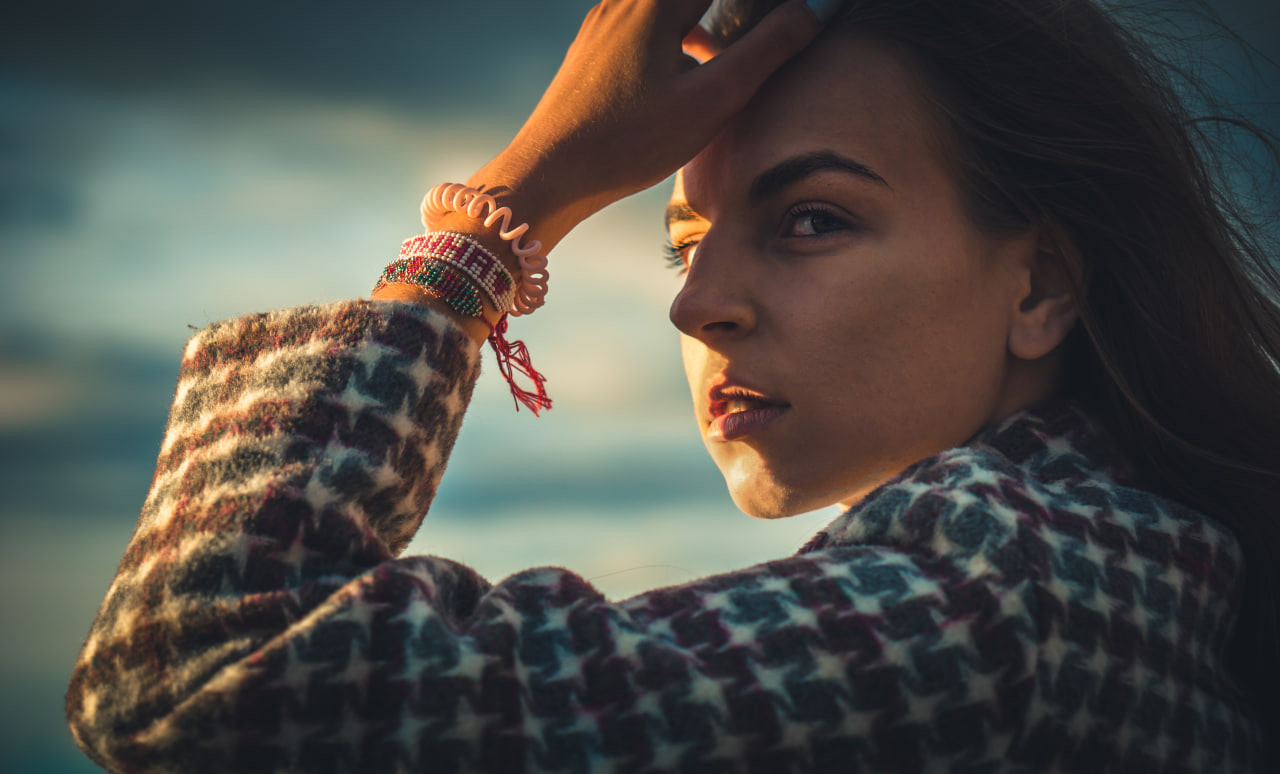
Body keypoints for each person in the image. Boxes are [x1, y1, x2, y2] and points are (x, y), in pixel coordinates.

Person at [65, 0, 1278, 770]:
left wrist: (503, 221)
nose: (696, 306)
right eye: (682, 241)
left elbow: (205, 684)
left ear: (1040, 287)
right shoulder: (1129, 564)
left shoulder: (994, 603)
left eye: (810, 218)